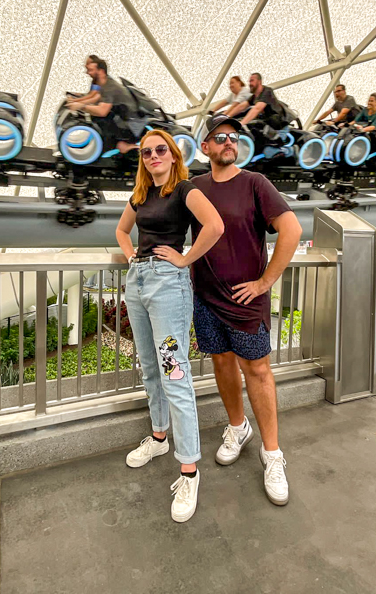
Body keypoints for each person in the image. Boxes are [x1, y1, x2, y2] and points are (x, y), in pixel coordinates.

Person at [189, 112, 303, 506]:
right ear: (205, 147)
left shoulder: (255, 183)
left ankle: (272, 455)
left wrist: (264, 282)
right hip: (205, 297)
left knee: (256, 369)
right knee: (221, 362)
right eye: (219, 137)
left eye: (232, 137)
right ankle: (237, 428)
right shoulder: (195, 187)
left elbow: (291, 230)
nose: (228, 142)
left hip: (245, 301)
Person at [116, 129, 224, 523]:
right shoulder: (141, 195)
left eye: (160, 149)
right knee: (150, 367)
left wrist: (184, 259)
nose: (153, 156)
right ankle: (160, 437)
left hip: (167, 284)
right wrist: (130, 255)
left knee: (173, 372)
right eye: (146, 152)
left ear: (173, 155)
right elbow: (121, 230)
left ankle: (190, 469)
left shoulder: (184, 190)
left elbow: (214, 226)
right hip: (138, 282)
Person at [71, 58, 141, 154]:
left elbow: (102, 111)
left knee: (99, 119)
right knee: (94, 117)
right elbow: (95, 98)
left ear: (101, 71)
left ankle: (125, 146)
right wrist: (78, 101)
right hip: (123, 118)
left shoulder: (109, 87)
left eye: (91, 70)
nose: (87, 73)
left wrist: (81, 106)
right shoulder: (104, 82)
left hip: (130, 126)